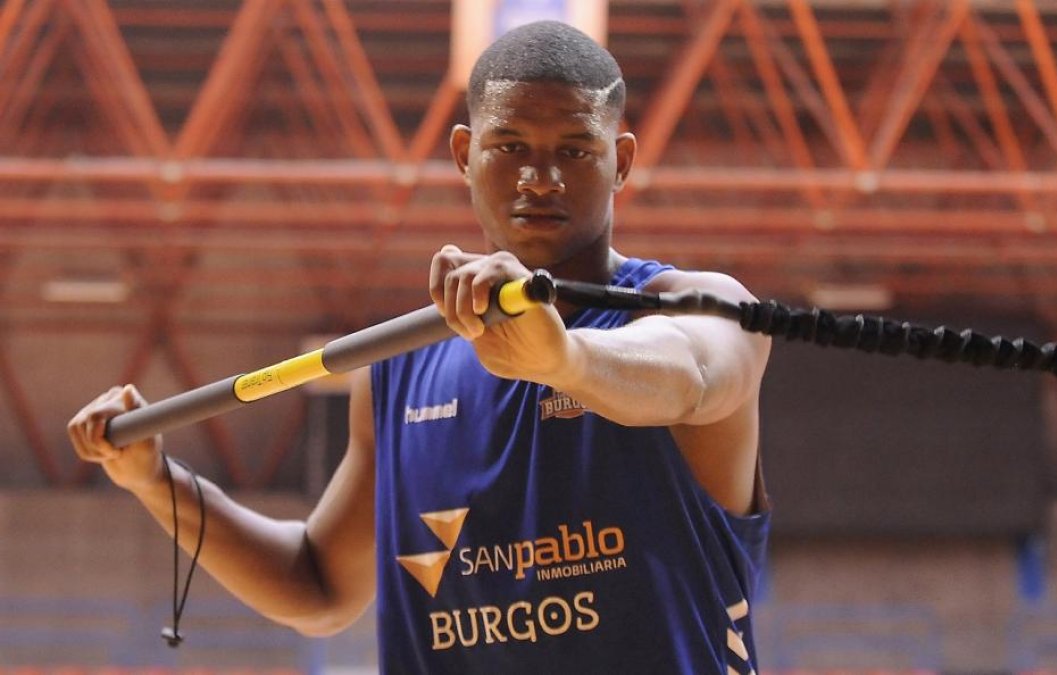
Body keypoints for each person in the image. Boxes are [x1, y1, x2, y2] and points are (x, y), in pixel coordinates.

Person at [68, 20, 771, 674]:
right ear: (465, 154)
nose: (540, 177)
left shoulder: (704, 307)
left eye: (575, 150)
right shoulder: (397, 371)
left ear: (621, 162)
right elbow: (317, 586)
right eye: (511, 147)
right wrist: (156, 482)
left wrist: (565, 361)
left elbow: (692, 375)